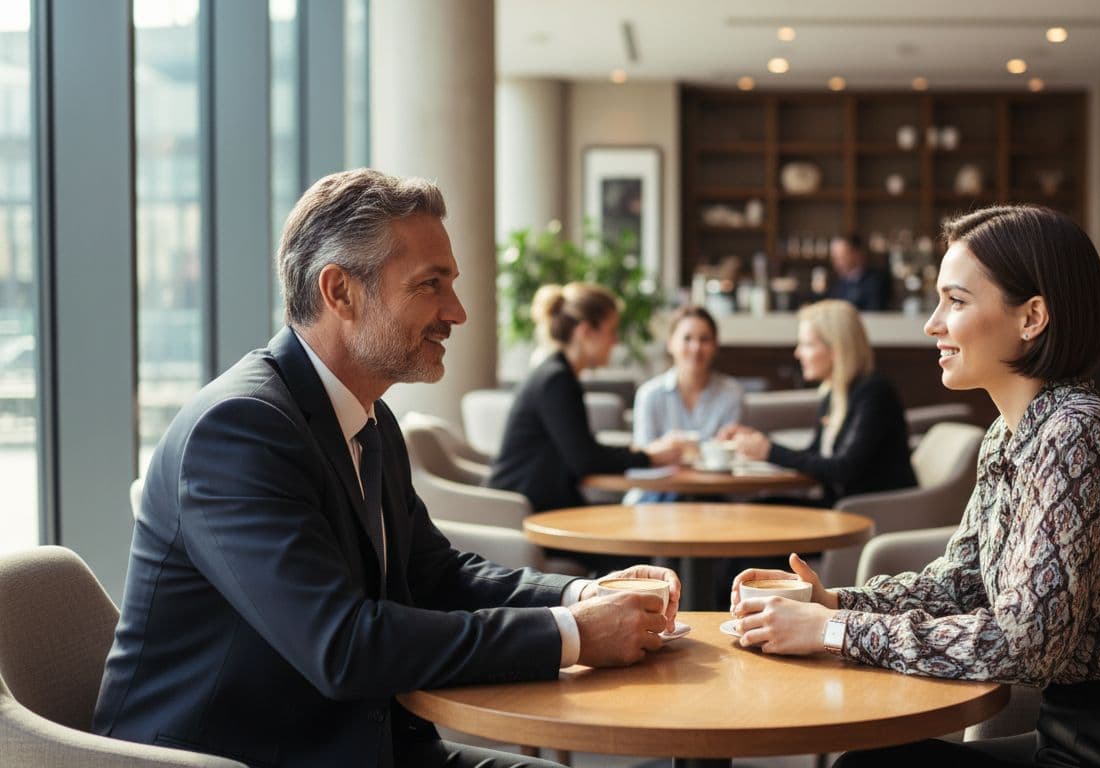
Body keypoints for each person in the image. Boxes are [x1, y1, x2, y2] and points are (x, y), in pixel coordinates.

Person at [93, 169, 683, 768]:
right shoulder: (239, 431)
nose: (457, 312)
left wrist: (585, 592)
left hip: (360, 745)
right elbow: (343, 645)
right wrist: (573, 633)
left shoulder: (368, 418)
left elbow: (433, 573)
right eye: (431, 285)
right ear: (340, 292)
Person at [728, 205, 1100, 767]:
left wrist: (836, 630)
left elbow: (1025, 645)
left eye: (956, 301)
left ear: (1031, 316)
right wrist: (835, 600)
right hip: (1070, 731)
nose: (932, 323)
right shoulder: (1007, 436)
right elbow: (963, 584)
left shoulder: (1081, 434)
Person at [487, 282, 682, 513]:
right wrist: (649, 457)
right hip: (524, 512)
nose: (615, 341)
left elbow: (582, 450)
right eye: (611, 331)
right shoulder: (556, 380)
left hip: (539, 505)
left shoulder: (558, 373)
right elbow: (585, 460)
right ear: (585, 331)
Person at [718, 299, 916, 507]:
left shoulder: (874, 392)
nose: (798, 353)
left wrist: (769, 451)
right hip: (841, 504)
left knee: (757, 510)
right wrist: (758, 443)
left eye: (807, 344)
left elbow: (843, 469)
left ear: (836, 348)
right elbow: (814, 456)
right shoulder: (834, 393)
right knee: (756, 507)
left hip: (872, 509)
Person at [628, 305, 744, 502]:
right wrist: (663, 449)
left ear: (715, 345)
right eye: (687, 338)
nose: (696, 348)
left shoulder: (731, 393)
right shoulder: (649, 394)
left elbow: (729, 457)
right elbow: (641, 461)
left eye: (704, 339)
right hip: (657, 492)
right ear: (670, 343)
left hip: (711, 493)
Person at [826, 233, 890, 311]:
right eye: (835, 257)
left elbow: (875, 313)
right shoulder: (837, 284)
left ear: (858, 253)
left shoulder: (876, 281)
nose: (838, 262)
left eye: (843, 256)